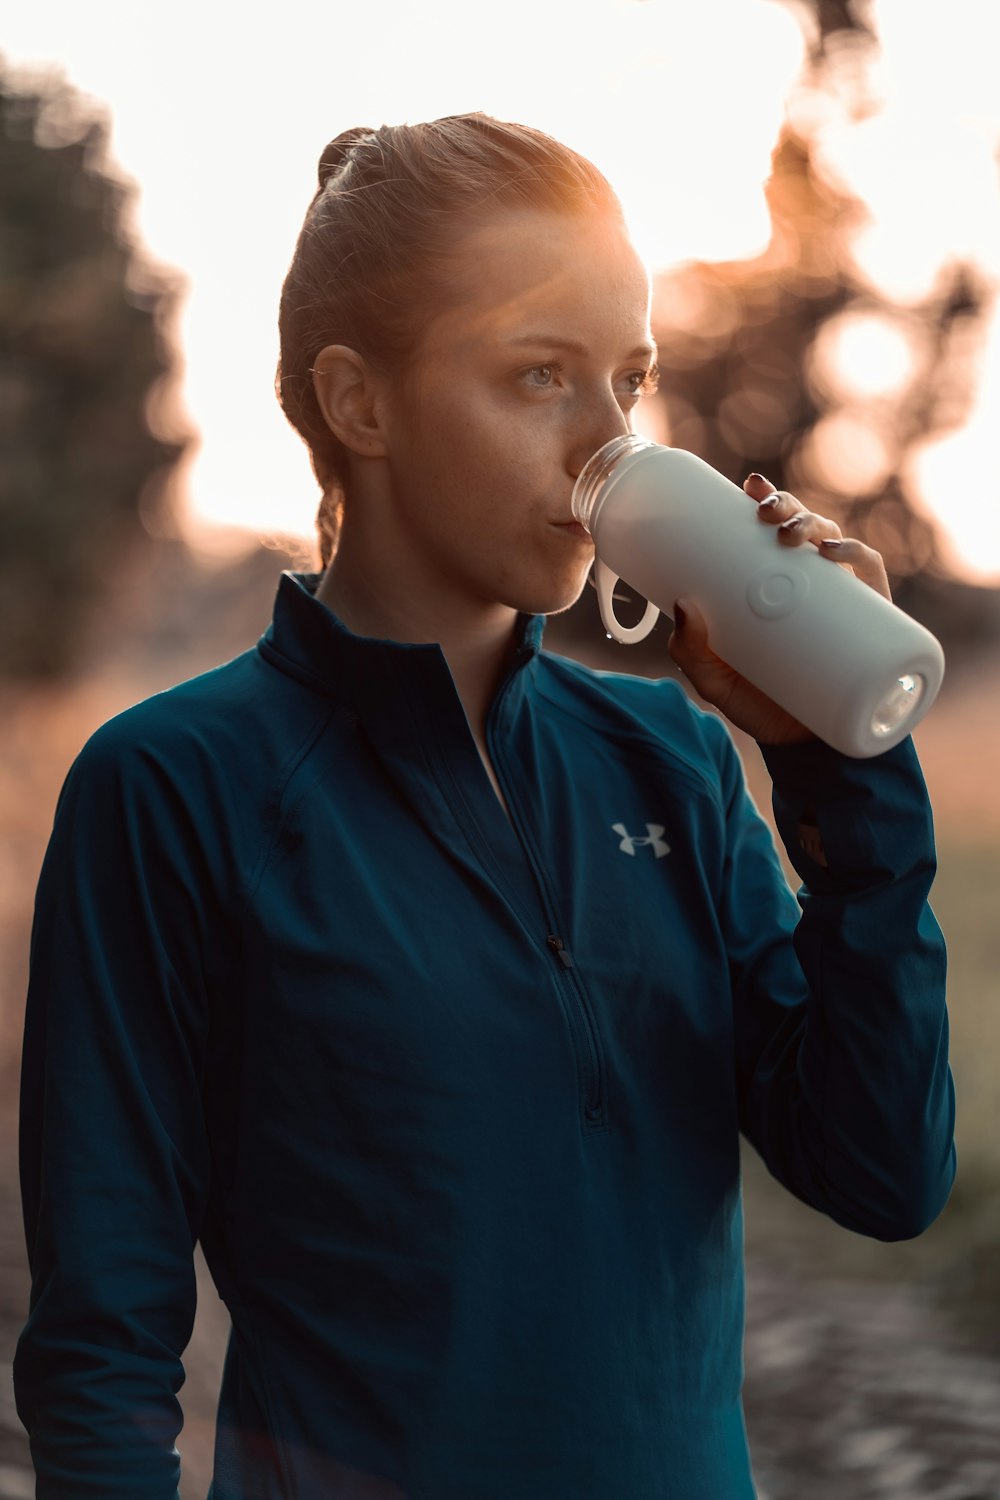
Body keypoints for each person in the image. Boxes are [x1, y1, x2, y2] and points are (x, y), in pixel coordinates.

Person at [15, 113, 956, 1500]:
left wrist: (840, 764)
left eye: (628, 381)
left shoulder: (671, 761)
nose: (609, 446)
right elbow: (103, 1347)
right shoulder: (173, 787)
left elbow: (883, 1176)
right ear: (362, 404)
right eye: (540, 375)